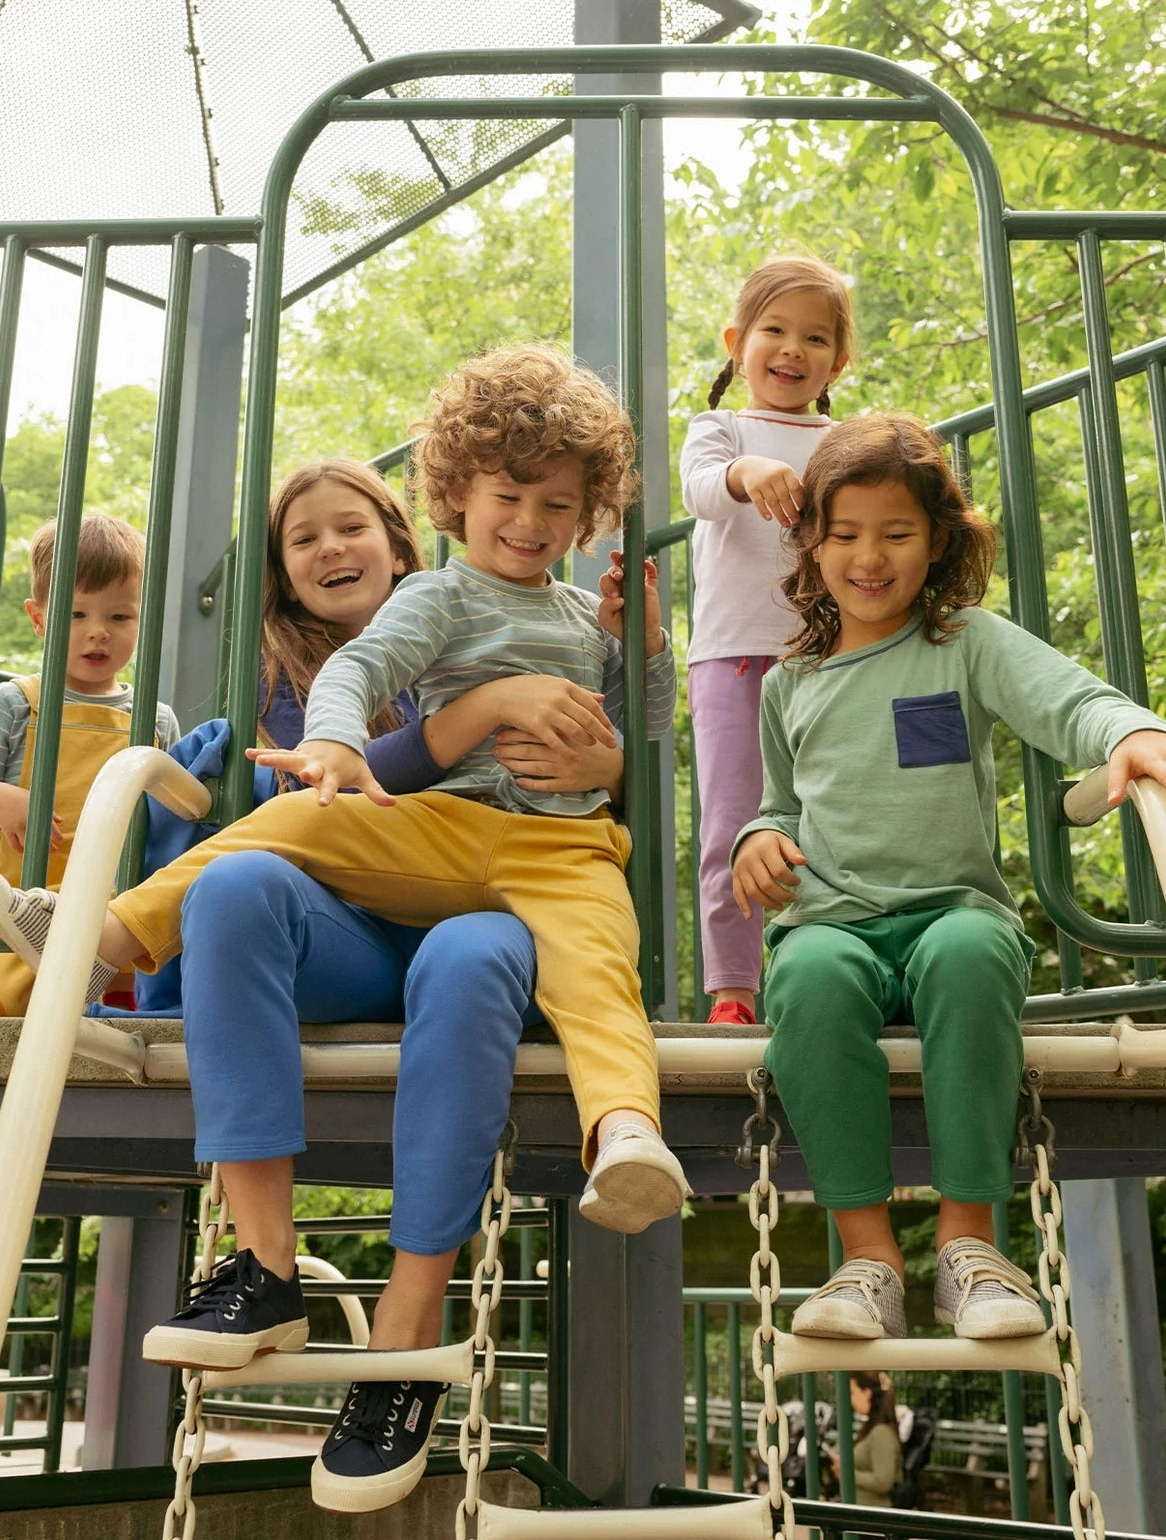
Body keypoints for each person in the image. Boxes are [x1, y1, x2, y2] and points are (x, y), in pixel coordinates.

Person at [0, 344, 687, 1238]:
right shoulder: (433, 602)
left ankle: (627, 1132)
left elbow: (646, 725)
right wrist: (330, 741)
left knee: (599, 974)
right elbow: (358, 671)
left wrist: (647, 648)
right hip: (439, 830)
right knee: (290, 818)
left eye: (557, 505)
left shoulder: (575, 614)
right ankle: (111, 934)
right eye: (508, 500)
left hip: (560, 848)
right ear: (456, 503)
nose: (530, 521)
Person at [730, 412, 1166, 1340]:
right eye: (844, 533)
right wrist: (754, 844)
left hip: (948, 911)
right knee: (805, 977)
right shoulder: (790, 682)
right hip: (831, 923)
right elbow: (780, 806)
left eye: (896, 532)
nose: (870, 556)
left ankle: (971, 1248)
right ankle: (868, 1256)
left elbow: (1066, 697)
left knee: (974, 951)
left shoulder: (962, 640)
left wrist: (1129, 732)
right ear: (812, 541)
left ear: (938, 541)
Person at [680, 256, 853, 1026]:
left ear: (837, 362)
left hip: (830, 655)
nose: (791, 349)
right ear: (736, 340)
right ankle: (734, 988)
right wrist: (747, 470)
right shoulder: (719, 430)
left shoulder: (848, 441)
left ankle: (839, 962)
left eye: (814, 337)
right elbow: (700, 489)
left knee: (833, 814)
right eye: (773, 330)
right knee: (732, 820)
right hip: (731, 656)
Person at [0, 513, 180, 1015]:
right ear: (38, 619)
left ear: (142, 620)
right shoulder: (16, 704)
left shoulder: (155, 720)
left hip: (115, 918)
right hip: (19, 915)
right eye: (76, 615)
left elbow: (176, 818)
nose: (97, 633)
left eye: (119, 617)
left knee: (113, 1010)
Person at [830, 1373, 903, 1509]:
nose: (850, 1399)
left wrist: (846, 1473)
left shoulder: (881, 1433)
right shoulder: (871, 1428)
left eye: (852, 1392)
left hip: (873, 1519)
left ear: (867, 1393)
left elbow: (883, 1482)